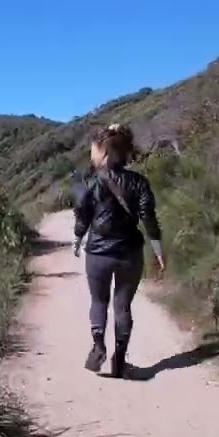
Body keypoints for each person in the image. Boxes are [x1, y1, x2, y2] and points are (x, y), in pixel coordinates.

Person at [71, 123, 165, 378]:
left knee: (98, 301)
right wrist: (158, 249)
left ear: (103, 152)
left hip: (98, 254)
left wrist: (78, 240)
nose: (91, 155)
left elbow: (82, 215)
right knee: (123, 306)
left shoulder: (91, 183)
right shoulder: (139, 182)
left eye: (93, 150)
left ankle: (98, 345)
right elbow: (148, 218)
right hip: (129, 253)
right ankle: (120, 362)